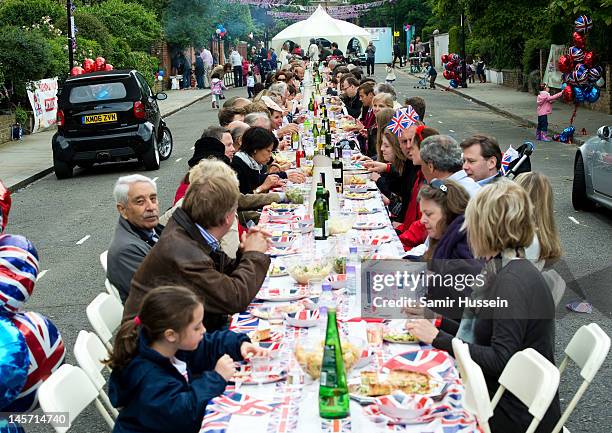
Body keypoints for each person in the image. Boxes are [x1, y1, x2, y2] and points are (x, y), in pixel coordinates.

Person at [405, 180, 560, 433]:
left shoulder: (512, 281)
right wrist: (435, 319)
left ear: (487, 229)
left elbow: (501, 359)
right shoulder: (506, 265)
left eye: (472, 224)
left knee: (415, 408)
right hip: (505, 395)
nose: (468, 231)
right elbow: (481, 333)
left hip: (513, 411)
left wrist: (439, 338)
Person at [124, 169, 272, 331]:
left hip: (176, 330)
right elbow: (234, 299)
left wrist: (243, 254)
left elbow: (219, 278)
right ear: (228, 217)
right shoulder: (183, 252)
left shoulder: (188, 229)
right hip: (153, 345)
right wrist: (254, 255)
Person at [108, 286, 267, 433]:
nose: (203, 330)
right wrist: (216, 378)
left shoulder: (169, 347)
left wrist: (239, 345)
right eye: (197, 327)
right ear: (171, 335)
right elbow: (183, 416)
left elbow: (207, 346)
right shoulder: (148, 378)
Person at [417, 179, 481, 319]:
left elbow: (464, 298)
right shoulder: (449, 235)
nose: (422, 220)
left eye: (429, 214)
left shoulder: (465, 242)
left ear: (448, 212)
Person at [107, 175, 163, 303]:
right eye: (140, 202)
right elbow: (159, 298)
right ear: (123, 210)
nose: (151, 207)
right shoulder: (125, 251)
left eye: (153, 199)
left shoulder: (155, 230)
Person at [396, 123, 440, 249]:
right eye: (405, 142)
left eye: (412, 144)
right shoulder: (419, 175)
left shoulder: (433, 185)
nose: (409, 147)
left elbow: (422, 227)